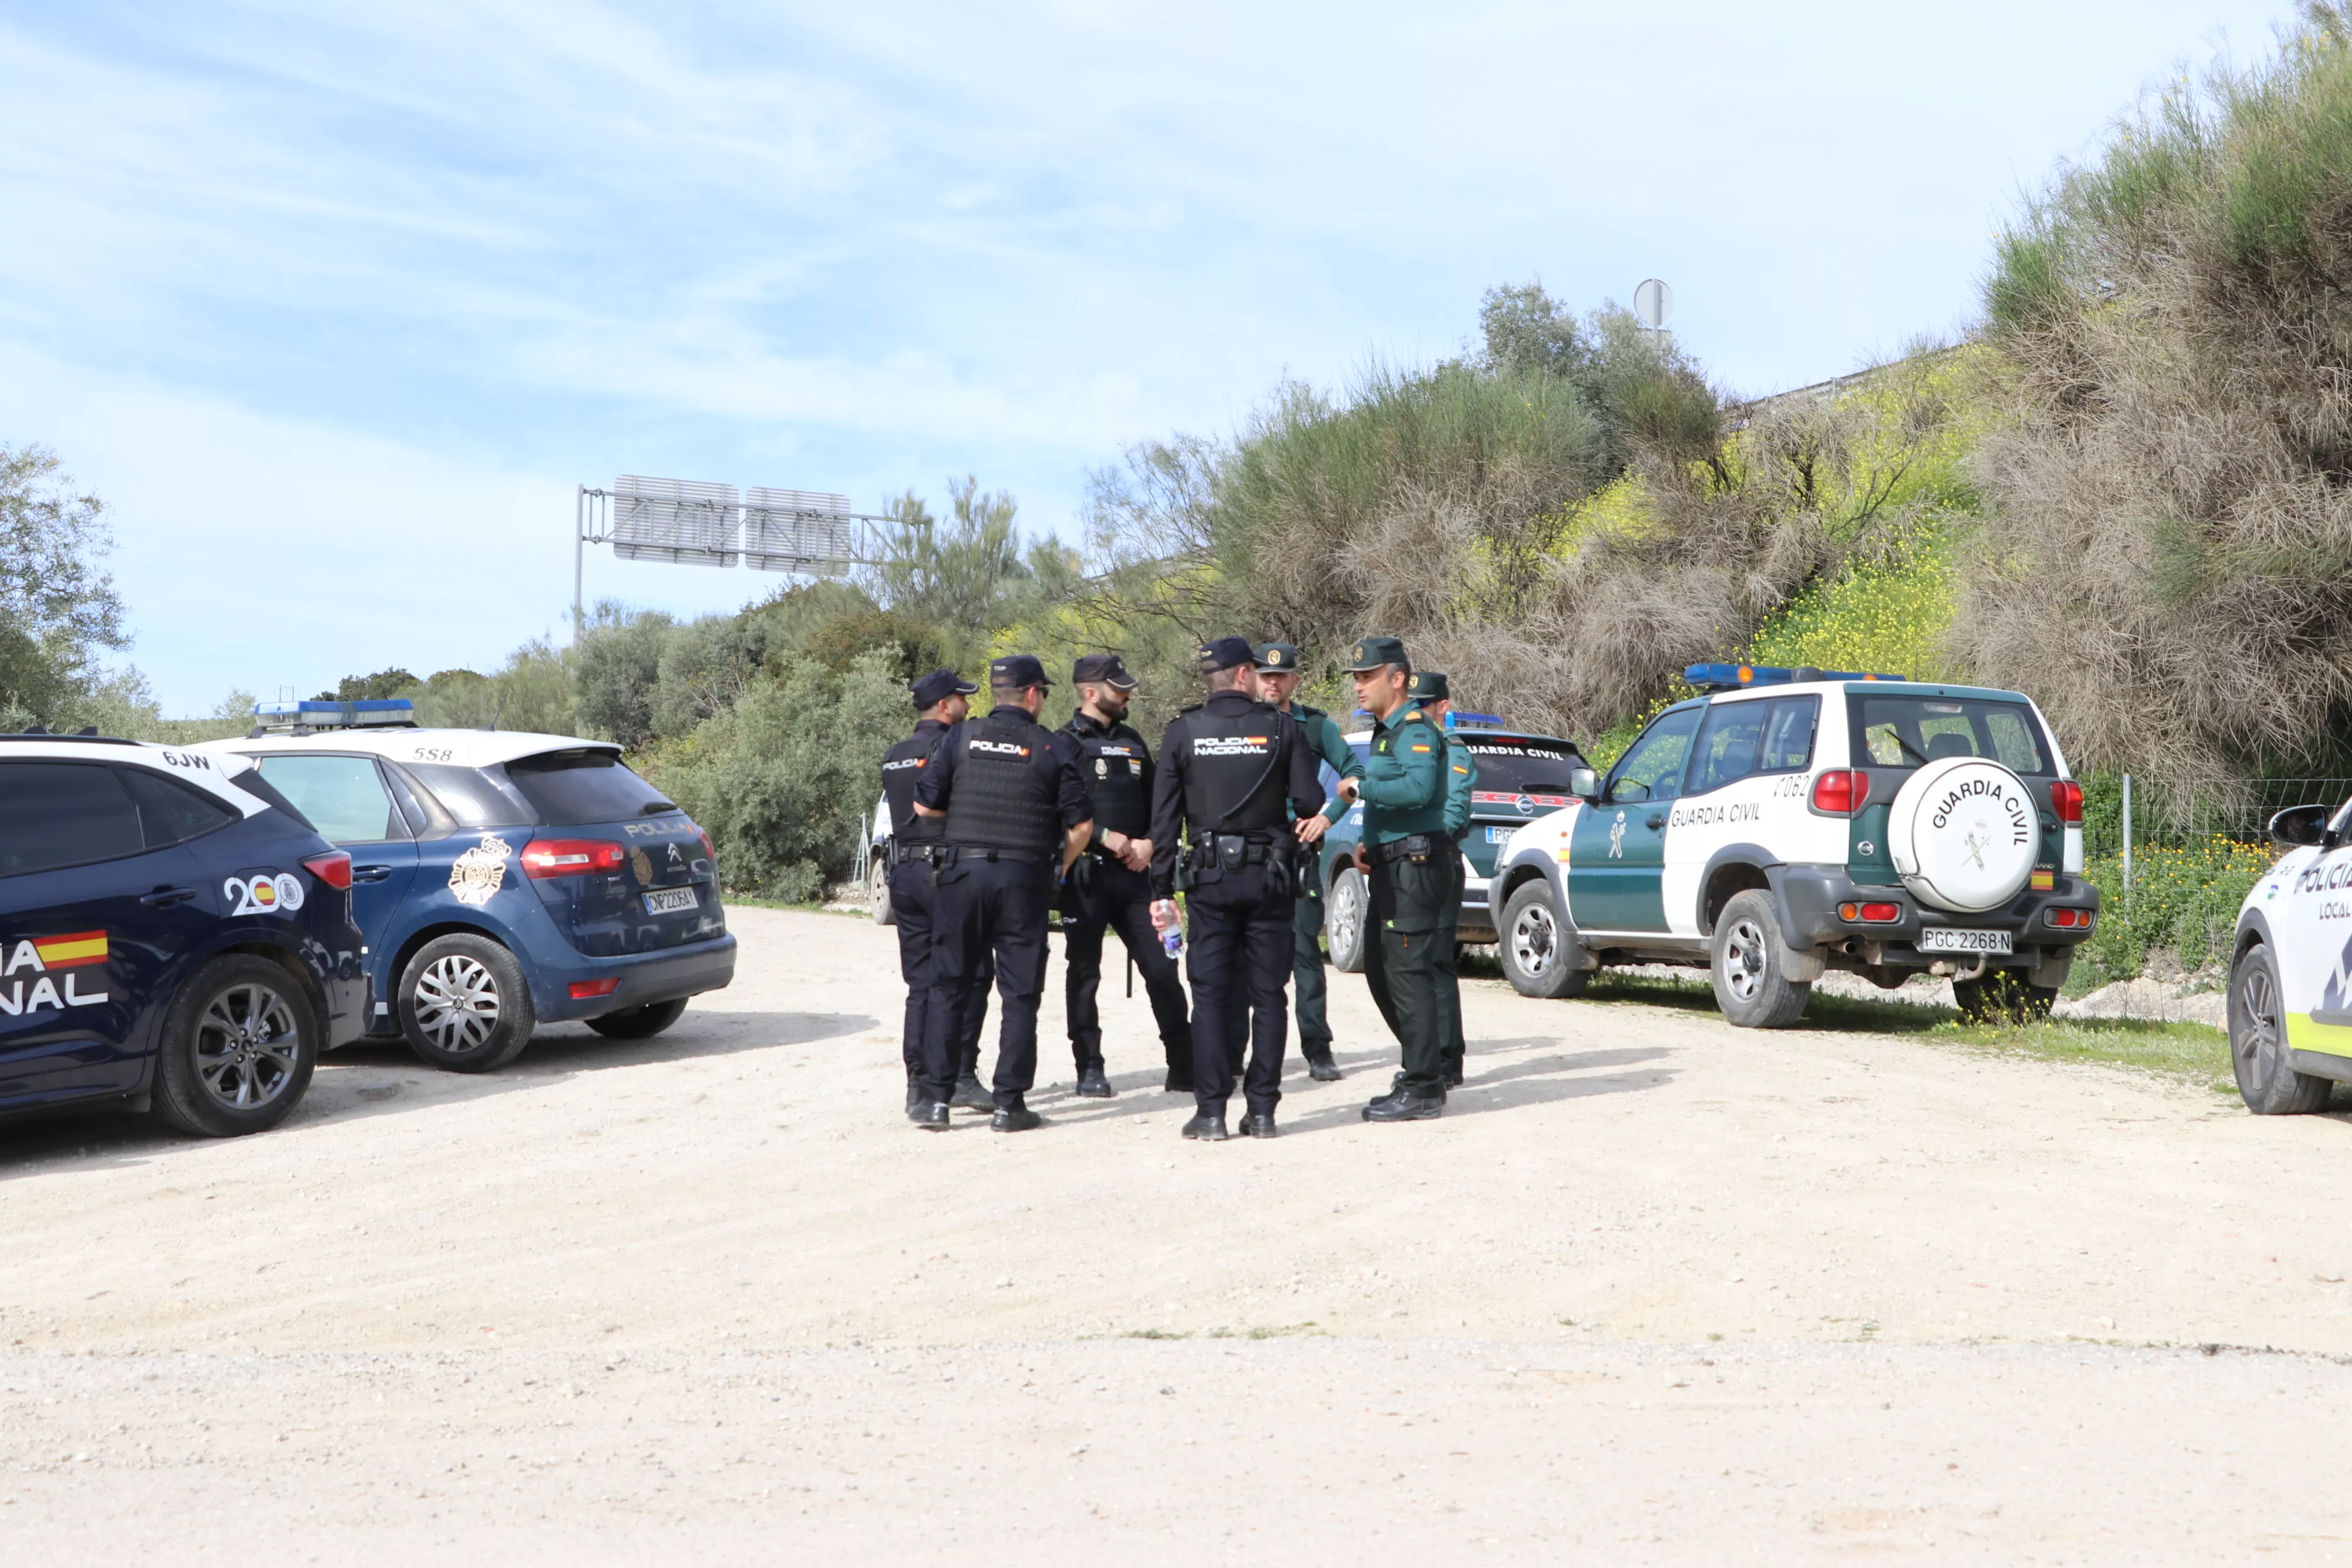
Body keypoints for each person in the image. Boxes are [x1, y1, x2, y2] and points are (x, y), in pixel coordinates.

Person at [1148, 636, 1327, 1141]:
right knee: (1268, 994)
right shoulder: (1281, 727)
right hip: (1268, 878)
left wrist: (1161, 889)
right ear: (1246, 675)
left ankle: (1210, 1114)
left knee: (1209, 995)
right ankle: (1263, 1112)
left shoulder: (1182, 732)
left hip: (1208, 881)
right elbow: (1309, 800)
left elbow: (1164, 822)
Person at [911, 655, 1093, 1133]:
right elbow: (1083, 826)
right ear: (1033, 695)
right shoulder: (1053, 747)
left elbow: (922, 805)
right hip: (1024, 880)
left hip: (963, 875)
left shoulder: (959, 737)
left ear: (998, 694)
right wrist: (1059, 867)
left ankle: (936, 1102)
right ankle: (1009, 1104)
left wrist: (969, 827)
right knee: (1020, 994)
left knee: (949, 986)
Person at [1053, 653, 1193, 1096]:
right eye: (1118, 689)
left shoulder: (1134, 741)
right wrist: (1104, 836)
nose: (1127, 693)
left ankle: (1184, 1063)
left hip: (1137, 880)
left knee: (1164, 967)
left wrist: (1151, 843)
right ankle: (1089, 1067)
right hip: (1088, 880)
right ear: (1091, 693)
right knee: (1084, 973)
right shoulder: (1064, 743)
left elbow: (1162, 806)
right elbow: (1056, 812)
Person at [1334, 636, 1451, 1122]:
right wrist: (1374, 846)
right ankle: (1419, 1069)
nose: (1359, 686)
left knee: (1408, 977)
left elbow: (1418, 788)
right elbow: (1397, 803)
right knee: (1383, 974)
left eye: (1367, 676)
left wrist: (1363, 785)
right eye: (1357, 678)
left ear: (1397, 679)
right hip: (1391, 865)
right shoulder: (1386, 733)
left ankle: (1425, 1086)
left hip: (1415, 872)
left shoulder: (1415, 729)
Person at [880, 669, 997, 1117]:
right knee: (973, 976)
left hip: (906, 873)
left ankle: (918, 1085)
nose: (969, 706)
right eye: (962, 700)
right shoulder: (955, 745)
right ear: (946, 705)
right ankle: (961, 1077)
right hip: (948, 871)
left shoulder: (896, 754)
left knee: (921, 985)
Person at [1255, 642, 1360, 1083]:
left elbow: (1355, 773)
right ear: (1252, 679)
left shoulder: (1315, 726)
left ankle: (1318, 1049)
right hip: (1252, 855)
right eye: (1265, 675)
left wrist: (1326, 817)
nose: (1273, 682)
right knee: (1249, 960)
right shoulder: (1237, 726)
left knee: (1304, 958)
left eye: (1281, 676)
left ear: (1295, 680)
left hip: (1298, 854)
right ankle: (1252, 1051)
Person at [1407, 669, 1478, 1090]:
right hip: (1408, 867)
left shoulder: (1453, 753)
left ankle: (1449, 1059)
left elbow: (1453, 811)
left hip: (1438, 862)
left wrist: (1424, 844)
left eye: (1423, 704)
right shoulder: (1405, 747)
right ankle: (1423, 1056)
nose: (1415, 711)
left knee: (1435, 963)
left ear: (1442, 707)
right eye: (1410, 704)